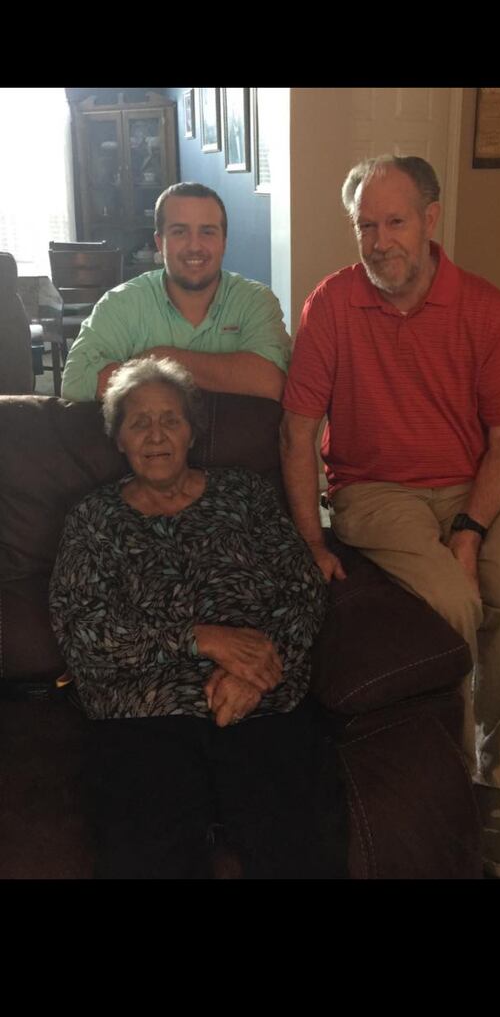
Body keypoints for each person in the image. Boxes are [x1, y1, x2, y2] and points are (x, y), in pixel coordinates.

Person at [280, 154, 500, 881]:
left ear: (431, 221)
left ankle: (494, 776)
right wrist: (312, 536)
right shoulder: (332, 304)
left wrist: (470, 527)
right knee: (452, 606)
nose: (378, 242)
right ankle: (455, 777)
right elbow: (299, 428)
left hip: (477, 481)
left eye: (393, 222)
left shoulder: (485, 307)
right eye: (365, 226)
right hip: (377, 491)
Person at [49, 357, 347, 879]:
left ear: (192, 431)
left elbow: (301, 586)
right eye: (139, 421)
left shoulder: (245, 494)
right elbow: (83, 632)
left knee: (300, 850)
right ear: (118, 438)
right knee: (145, 857)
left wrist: (256, 669)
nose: (156, 434)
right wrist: (200, 639)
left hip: (260, 699)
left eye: (171, 419)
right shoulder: (93, 519)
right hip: (143, 717)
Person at [60, 182, 291, 403]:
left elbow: (272, 382)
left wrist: (160, 359)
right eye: (180, 232)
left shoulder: (255, 301)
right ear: (160, 243)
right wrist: (228, 374)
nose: (194, 246)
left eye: (207, 232)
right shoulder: (122, 303)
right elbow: (76, 382)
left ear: (224, 242)